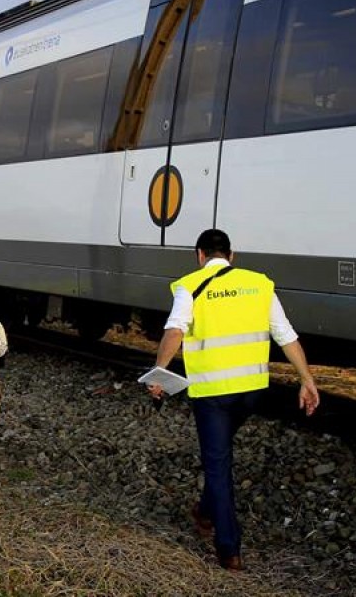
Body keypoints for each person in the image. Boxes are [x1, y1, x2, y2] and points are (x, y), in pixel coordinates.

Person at [146, 228, 319, 571]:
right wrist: (307, 379)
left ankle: (229, 549)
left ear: (199, 255)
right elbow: (285, 335)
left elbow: (175, 331)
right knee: (220, 452)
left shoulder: (190, 286)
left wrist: (159, 371)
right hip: (251, 392)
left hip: (212, 393)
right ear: (231, 255)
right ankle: (206, 511)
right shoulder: (259, 284)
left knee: (218, 464)